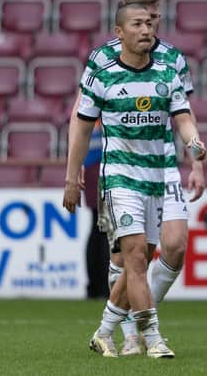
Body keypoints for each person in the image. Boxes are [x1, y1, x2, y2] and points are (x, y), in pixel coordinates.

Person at [63, 2, 206, 358]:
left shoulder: (166, 73)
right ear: (119, 33)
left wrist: (193, 143)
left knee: (152, 254)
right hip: (120, 177)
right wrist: (71, 177)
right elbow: (80, 128)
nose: (146, 30)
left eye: (150, 24)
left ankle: (104, 331)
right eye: (138, 24)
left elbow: (183, 117)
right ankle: (151, 337)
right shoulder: (104, 74)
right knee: (136, 257)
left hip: (158, 175)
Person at [83, 120, 110, 299]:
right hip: (103, 165)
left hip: (92, 164)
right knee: (104, 230)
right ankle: (101, 286)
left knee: (98, 228)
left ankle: (95, 286)